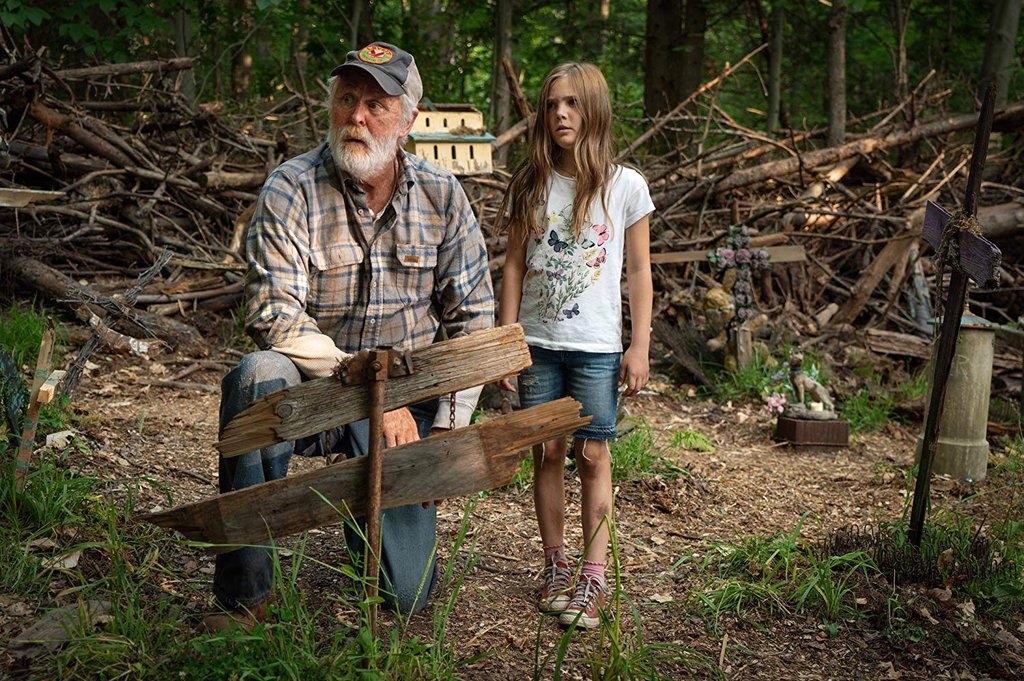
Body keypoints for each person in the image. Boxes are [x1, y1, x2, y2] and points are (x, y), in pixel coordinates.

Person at [206, 41, 494, 630]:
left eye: (376, 105)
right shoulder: (291, 188)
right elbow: (274, 313)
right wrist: (365, 383)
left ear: (409, 120)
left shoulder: (443, 197)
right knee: (257, 375)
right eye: (346, 99)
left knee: (409, 596)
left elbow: (474, 319)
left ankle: (372, 525)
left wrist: (444, 431)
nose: (356, 117)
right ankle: (245, 596)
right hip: (314, 389)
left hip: (404, 409)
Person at [497, 62, 654, 629]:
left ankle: (594, 574)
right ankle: (556, 564)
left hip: (595, 347)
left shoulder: (625, 185)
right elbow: (514, 265)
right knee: (548, 452)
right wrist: (507, 340)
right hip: (537, 344)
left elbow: (639, 270)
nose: (560, 113)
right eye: (552, 104)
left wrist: (638, 346)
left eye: (572, 103)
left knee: (593, 454)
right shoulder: (532, 182)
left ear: (594, 110)